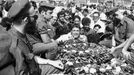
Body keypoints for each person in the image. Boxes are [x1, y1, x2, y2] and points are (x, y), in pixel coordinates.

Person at [1, 0, 40, 75]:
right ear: (25, 19)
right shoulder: (15, 45)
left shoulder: (21, 34)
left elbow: (30, 57)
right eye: (34, 17)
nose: (36, 20)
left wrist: (48, 61)